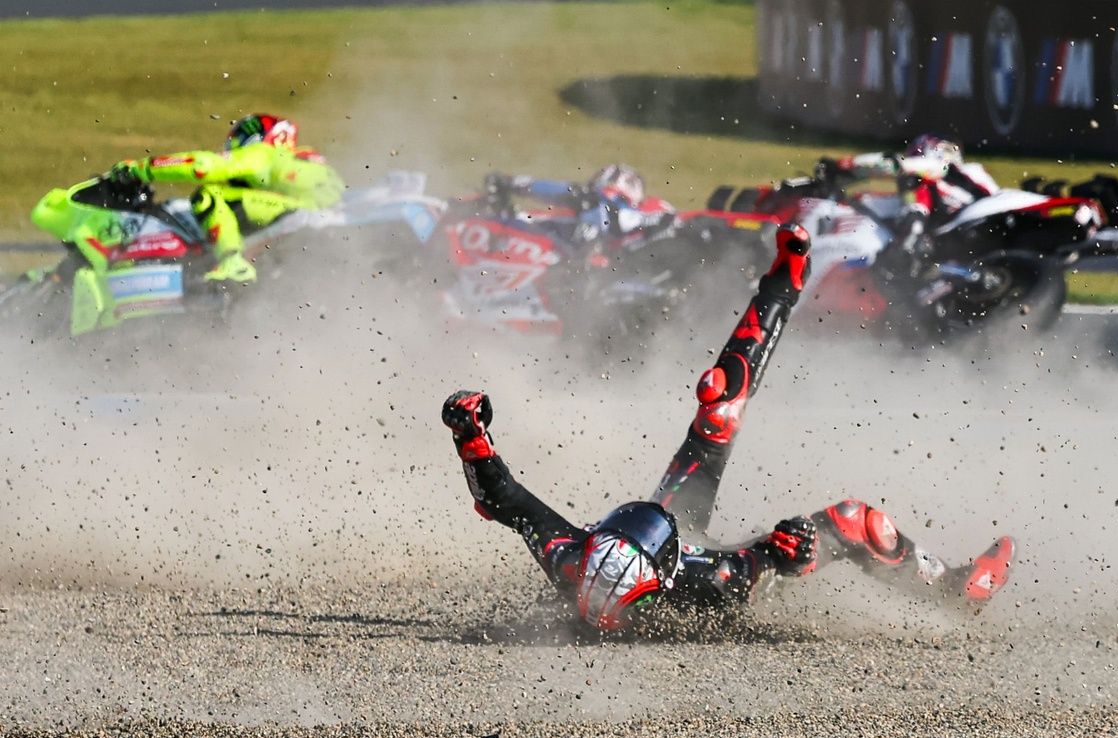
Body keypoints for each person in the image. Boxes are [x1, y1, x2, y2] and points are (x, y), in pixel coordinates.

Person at [441, 224, 1014, 631]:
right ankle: (953, 590)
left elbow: (504, 500)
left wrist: (470, 438)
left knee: (720, 398)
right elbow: (779, 557)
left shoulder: (572, 558)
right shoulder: (714, 581)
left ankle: (782, 286)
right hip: (729, 573)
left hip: (658, 559)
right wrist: (791, 545)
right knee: (855, 522)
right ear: (663, 575)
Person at [109, 113, 344, 284]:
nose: (232, 146)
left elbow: (202, 167)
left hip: (302, 213)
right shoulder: (300, 161)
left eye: (240, 137)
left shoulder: (263, 153)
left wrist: (140, 169)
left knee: (209, 194)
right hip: (326, 216)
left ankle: (232, 263)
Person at [482, 163, 673, 255]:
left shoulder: (595, 202)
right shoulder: (658, 209)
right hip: (630, 276)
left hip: (593, 278)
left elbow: (569, 194)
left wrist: (512, 183)